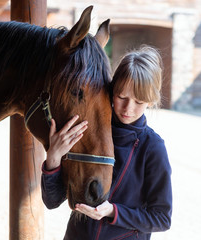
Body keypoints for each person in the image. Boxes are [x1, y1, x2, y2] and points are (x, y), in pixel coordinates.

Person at [41, 45, 172, 240]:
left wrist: (113, 211)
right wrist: (53, 158)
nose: (128, 108)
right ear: (111, 91)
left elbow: (162, 218)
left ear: (151, 101)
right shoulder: (87, 130)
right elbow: (51, 201)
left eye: (139, 101)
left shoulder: (152, 147)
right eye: (122, 97)